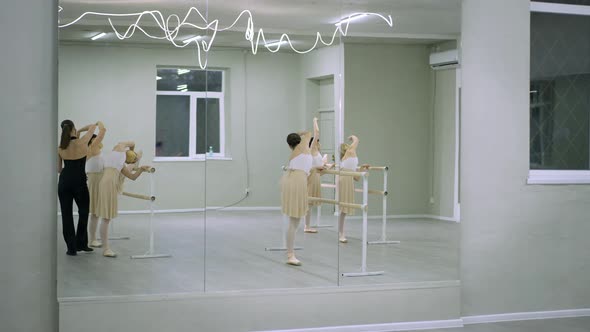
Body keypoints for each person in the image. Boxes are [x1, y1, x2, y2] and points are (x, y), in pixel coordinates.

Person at [97, 142, 150, 257]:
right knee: (106, 218)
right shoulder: (120, 153)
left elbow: (132, 177)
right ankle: (106, 249)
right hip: (109, 185)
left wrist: (139, 168)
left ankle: (105, 247)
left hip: (105, 183)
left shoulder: (118, 153)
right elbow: (133, 176)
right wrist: (137, 160)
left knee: (106, 218)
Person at [58, 120, 99, 255]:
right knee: (83, 212)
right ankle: (81, 244)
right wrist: (79, 130)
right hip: (79, 182)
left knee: (66, 215)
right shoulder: (82, 142)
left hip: (64, 182)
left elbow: (59, 169)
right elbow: (93, 126)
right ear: (73, 129)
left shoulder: (60, 148)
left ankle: (71, 248)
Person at [280, 131, 313, 266]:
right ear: (299, 141)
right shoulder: (302, 147)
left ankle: (290, 253)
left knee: (295, 221)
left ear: (289, 145)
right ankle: (290, 255)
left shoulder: (298, 153)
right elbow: (309, 132)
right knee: (294, 221)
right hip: (297, 181)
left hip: (295, 180)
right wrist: (300, 133)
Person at [338, 135, 369, 243]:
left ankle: (341, 232)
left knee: (344, 210)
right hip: (344, 180)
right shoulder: (349, 153)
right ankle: (341, 233)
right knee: (343, 208)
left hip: (349, 180)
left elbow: (356, 178)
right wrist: (353, 137)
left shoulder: (351, 158)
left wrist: (361, 168)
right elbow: (357, 140)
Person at [84, 123, 107, 248]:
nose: (97, 140)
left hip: (99, 180)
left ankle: (93, 238)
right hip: (94, 181)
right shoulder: (91, 149)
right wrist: (100, 125)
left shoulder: (97, 151)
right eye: (95, 139)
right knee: (94, 212)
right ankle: (92, 239)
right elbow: (102, 133)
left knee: (95, 212)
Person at [304, 117, 326, 233]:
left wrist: (326, 164)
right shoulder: (312, 149)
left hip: (316, 177)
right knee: (309, 202)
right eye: (317, 140)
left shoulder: (317, 153)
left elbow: (320, 168)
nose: (319, 142)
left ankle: (307, 225)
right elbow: (317, 133)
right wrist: (315, 121)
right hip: (311, 177)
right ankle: (306, 226)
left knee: (310, 203)